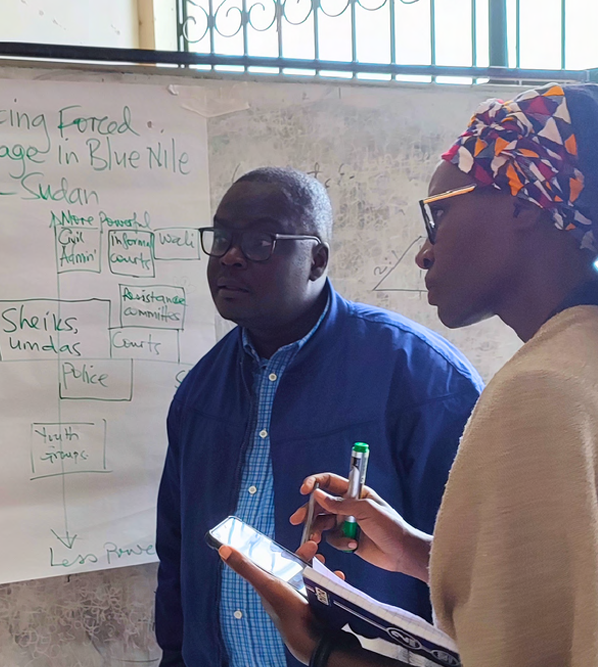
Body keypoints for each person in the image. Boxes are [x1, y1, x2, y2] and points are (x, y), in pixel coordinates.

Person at [221, 83, 598, 667]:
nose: (424, 252)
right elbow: (556, 595)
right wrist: (418, 552)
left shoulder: (541, 390)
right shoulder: (578, 359)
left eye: (439, 214)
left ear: (525, 204)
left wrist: (323, 649)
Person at [155, 166, 484, 667]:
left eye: (262, 241)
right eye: (222, 238)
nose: (231, 256)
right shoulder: (200, 389)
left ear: (317, 259)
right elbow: (176, 553)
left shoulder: (422, 378)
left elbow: (476, 567)